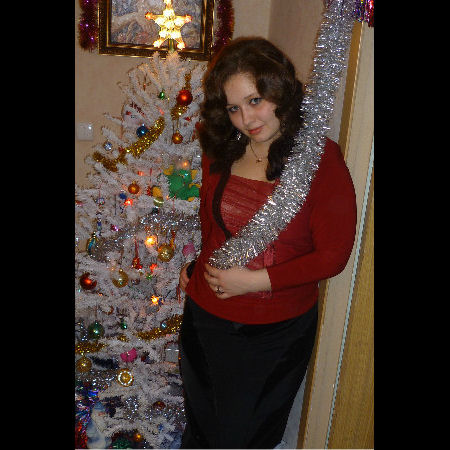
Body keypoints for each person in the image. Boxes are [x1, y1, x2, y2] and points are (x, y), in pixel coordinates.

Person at [178, 37, 357, 449]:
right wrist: (196, 268)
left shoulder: (319, 159)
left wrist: (253, 282)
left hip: (273, 334)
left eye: (255, 100)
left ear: (280, 90)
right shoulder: (220, 150)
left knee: (244, 439)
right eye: (233, 108)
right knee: (202, 431)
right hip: (204, 321)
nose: (246, 119)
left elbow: (332, 256)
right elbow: (213, 226)